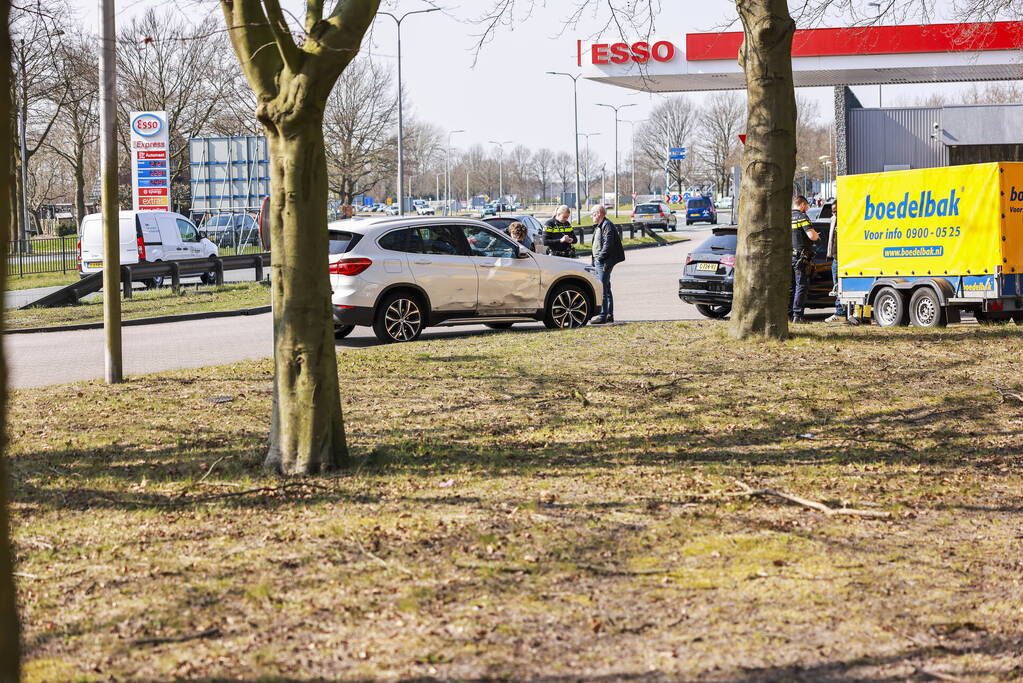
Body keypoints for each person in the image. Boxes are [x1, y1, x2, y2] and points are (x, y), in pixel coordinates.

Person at [590, 204, 625, 324]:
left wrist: (600, 258)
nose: (591, 217)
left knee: (602, 288)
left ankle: (603, 315)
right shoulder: (601, 225)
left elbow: (608, 244)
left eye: (593, 214)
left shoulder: (607, 225)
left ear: (599, 214)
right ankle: (609, 314)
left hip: (604, 261)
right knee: (607, 288)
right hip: (600, 261)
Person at [790, 195, 820, 324]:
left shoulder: (785, 217)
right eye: (807, 206)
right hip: (800, 258)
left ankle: (789, 314)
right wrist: (816, 236)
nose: (807, 208)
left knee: (790, 287)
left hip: (788, 257)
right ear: (802, 205)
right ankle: (798, 315)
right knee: (801, 286)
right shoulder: (802, 217)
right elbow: (811, 235)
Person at [825, 199, 845, 323]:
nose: (835, 213)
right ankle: (841, 312)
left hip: (844, 258)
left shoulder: (845, 220)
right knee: (837, 287)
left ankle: (841, 313)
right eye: (833, 211)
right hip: (836, 257)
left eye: (836, 211)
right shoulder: (834, 219)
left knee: (841, 286)